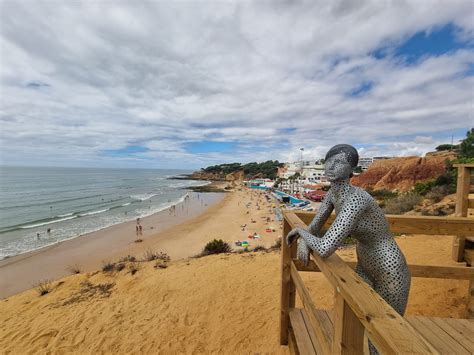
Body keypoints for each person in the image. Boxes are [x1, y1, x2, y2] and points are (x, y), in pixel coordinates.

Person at [286, 144, 410, 355]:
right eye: (328, 161)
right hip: (366, 264)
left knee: (382, 337)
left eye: (339, 162)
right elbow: (315, 228)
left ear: (351, 169)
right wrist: (306, 236)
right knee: (356, 320)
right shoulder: (333, 194)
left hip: (390, 269)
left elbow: (325, 247)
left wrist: (301, 232)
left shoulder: (356, 199)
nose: (331, 167)